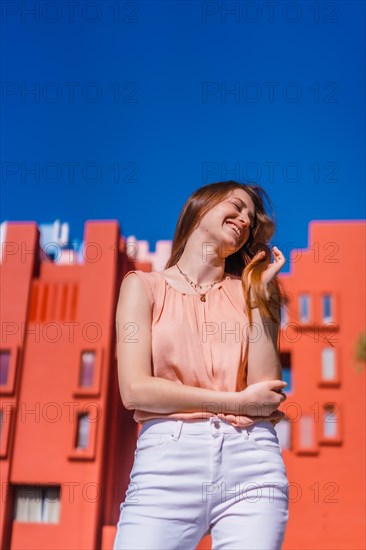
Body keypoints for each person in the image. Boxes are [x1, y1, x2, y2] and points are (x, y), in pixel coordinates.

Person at [113, 180, 290, 550]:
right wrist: (235, 403)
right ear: (199, 206)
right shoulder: (142, 287)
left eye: (251, 219)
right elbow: (135, 390)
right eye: (238, 206)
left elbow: (266, 390)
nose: (245, 219)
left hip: (251, 461)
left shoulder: (251, 290)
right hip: (167, 463)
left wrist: (259, 297)